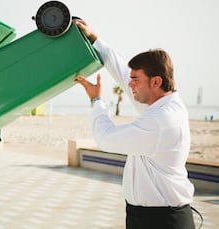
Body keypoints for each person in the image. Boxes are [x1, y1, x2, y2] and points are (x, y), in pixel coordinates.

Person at [73, 19, 196, 229]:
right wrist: (93, 37)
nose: (130, 85)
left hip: (163, 221)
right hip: (144, 217)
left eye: (136, 79)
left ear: (156, 82)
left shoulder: (161, 120)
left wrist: (96, 101)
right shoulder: (160, 103)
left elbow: (106, 139)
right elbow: (122, 73)